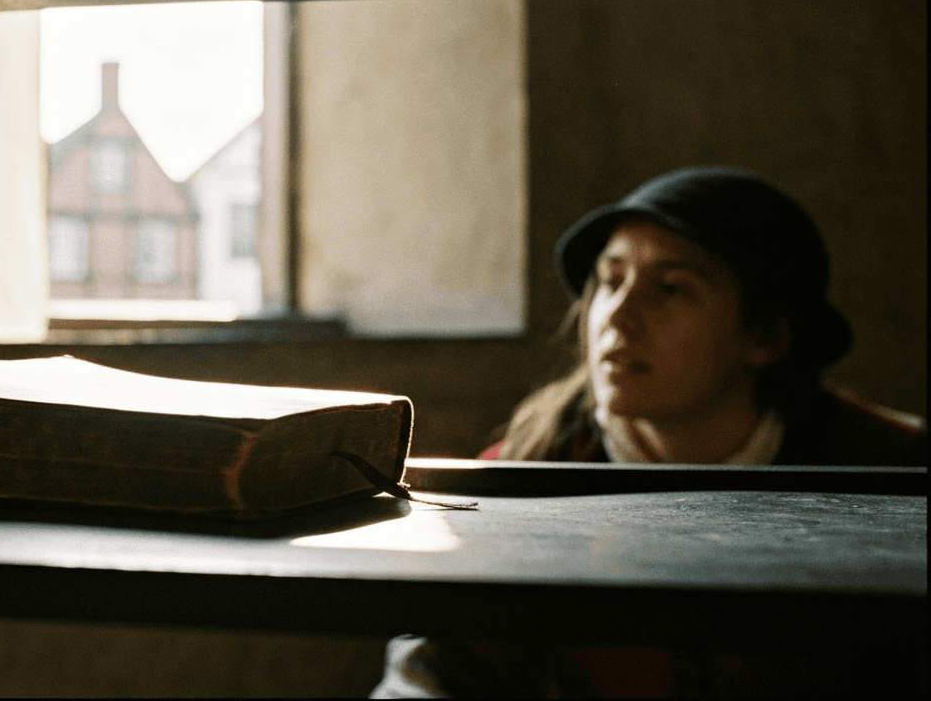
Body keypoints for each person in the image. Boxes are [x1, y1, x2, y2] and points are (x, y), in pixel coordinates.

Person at [372, 165, 925, 698]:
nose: (618, 315)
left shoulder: (894, 474)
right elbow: (430, 675)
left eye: (670, 288)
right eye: (610, 281)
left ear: (764, 337)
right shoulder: (514, 479)